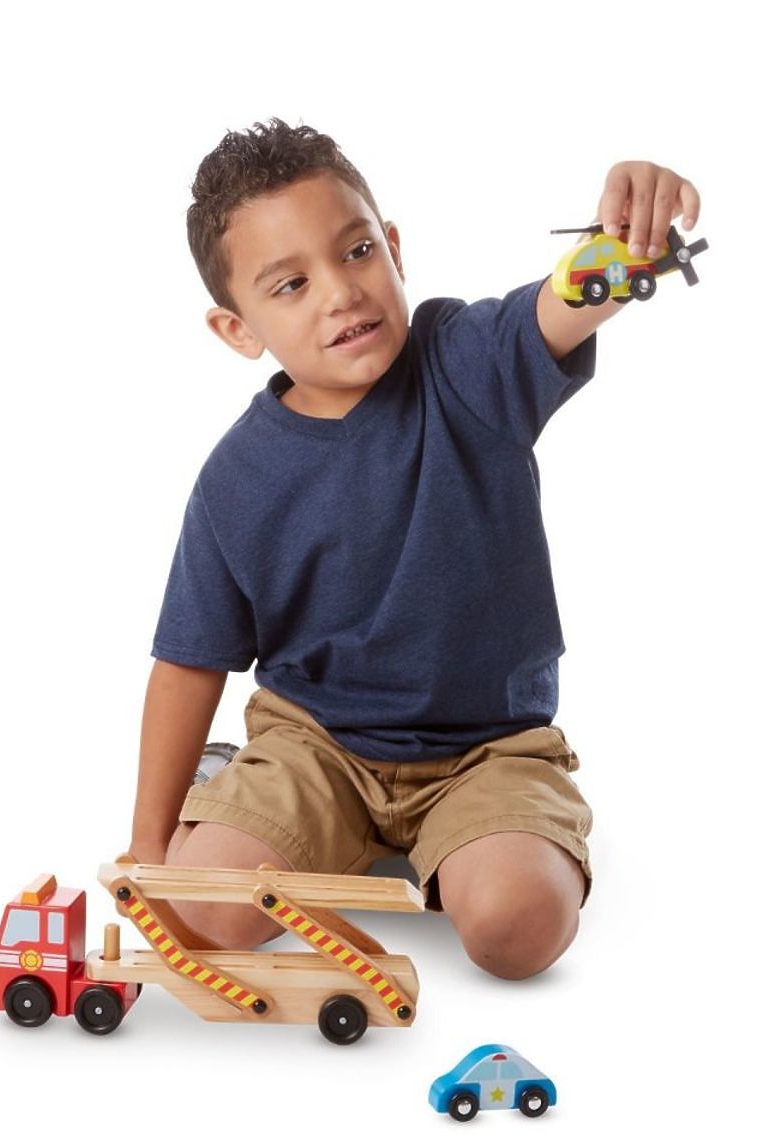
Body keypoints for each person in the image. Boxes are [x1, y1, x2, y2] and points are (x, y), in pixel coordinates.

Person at [128, 118, 700, 979]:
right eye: (292, 283)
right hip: (314, 745)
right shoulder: (233, 480)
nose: (341, 292)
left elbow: (563, 304)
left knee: (518, 931)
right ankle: (238, 792)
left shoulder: (464, 362)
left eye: (357, 251)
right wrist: (149, 850)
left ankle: (489, 837)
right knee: (201, 917)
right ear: (238, 329)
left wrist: (624, 242)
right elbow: (188, 661)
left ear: (393, 249)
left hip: (488, 749)